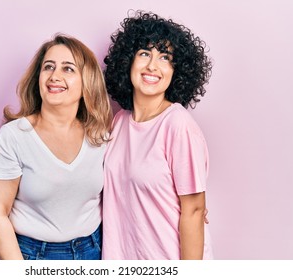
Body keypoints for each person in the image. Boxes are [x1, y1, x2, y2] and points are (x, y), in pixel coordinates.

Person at [0, 34, 112, 260]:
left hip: (94, 250)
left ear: (87, 81)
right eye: (48, 67)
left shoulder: (99, 135)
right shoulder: (14, 136)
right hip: (33, 255)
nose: (54, 76)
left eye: (68, 69)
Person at [102, 11, 214, 260]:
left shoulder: (178, 125)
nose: (152, 65)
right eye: (144, 53)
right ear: (128, 61)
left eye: (165, 57)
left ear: (176, 72)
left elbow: (194, 211)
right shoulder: (119, 122)